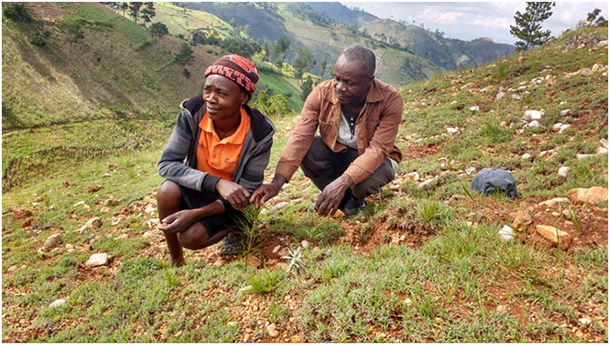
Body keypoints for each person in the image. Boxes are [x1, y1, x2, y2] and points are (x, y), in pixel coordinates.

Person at [252, 45, 403, 217]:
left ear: (369, 81)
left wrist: (343, 181)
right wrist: (277, 182)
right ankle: (343, 201)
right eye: (336, 78)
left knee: (363, 185)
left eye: (349, 83)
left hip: (377, 160)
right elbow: (300, 137)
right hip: (339, 152)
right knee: (308, 150)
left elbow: (378, 149)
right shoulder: (321, 93)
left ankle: (350, 194)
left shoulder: (390, 99)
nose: (340, 87)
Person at [156, 54, 275, 266]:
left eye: (221, 93)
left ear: (242, 99)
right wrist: (217, 183)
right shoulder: (192, 113)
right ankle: (175, 259)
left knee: (190, 237)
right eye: (207, 90)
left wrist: (195, 214)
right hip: (200, 186)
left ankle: (239, 227)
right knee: (167, 191)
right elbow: (167, 164)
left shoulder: (259, 132)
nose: (211, 98)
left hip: (234, 202)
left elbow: (247, 189)